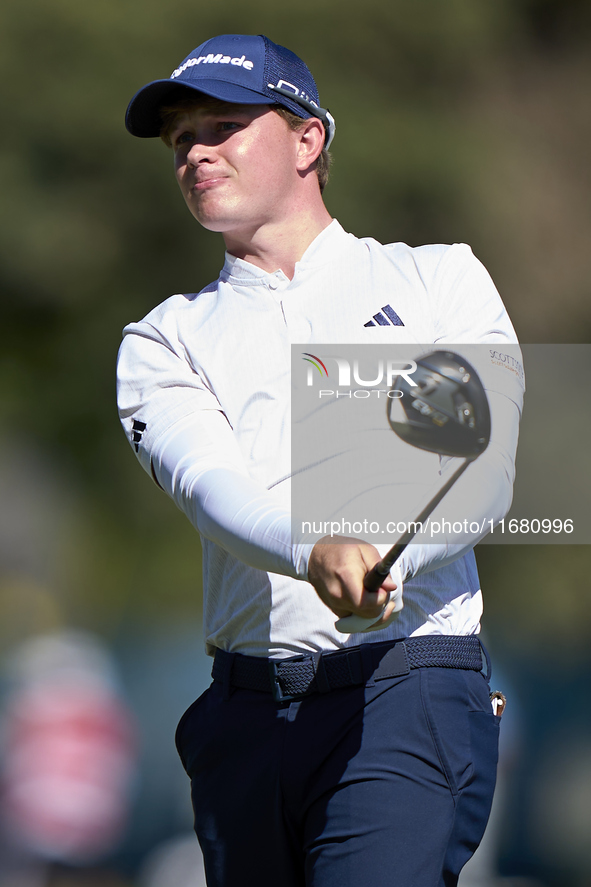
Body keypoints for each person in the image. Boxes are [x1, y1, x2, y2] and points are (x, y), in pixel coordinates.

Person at [118, 33, 524, 887]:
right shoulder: (162, 338)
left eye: (222, 125)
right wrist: (316, 551)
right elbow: (209, 486)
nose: (195, 152)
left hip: (402, 689)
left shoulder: (437, 282)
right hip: (245, 711)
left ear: (308, 141)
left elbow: (480, 472)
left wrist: (384, 554)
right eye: (181, 138)